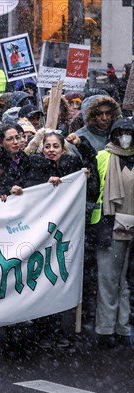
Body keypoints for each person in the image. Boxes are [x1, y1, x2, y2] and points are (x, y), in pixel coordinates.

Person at [89, 117, 134, 346]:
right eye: (122, 132)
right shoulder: (102, 157)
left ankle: (123, 327)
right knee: (108, 280)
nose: (125, 137)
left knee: (125, 282)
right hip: (110, 225)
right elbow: (91, 187)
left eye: (129, 132)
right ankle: (105, 330)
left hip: (131, 227)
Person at [0, 123, 29, 202]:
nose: (15, 142)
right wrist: (8, 190)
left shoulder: (24, 158)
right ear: (0, 142)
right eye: (10, 139)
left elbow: (32, 179)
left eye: (17, 137)